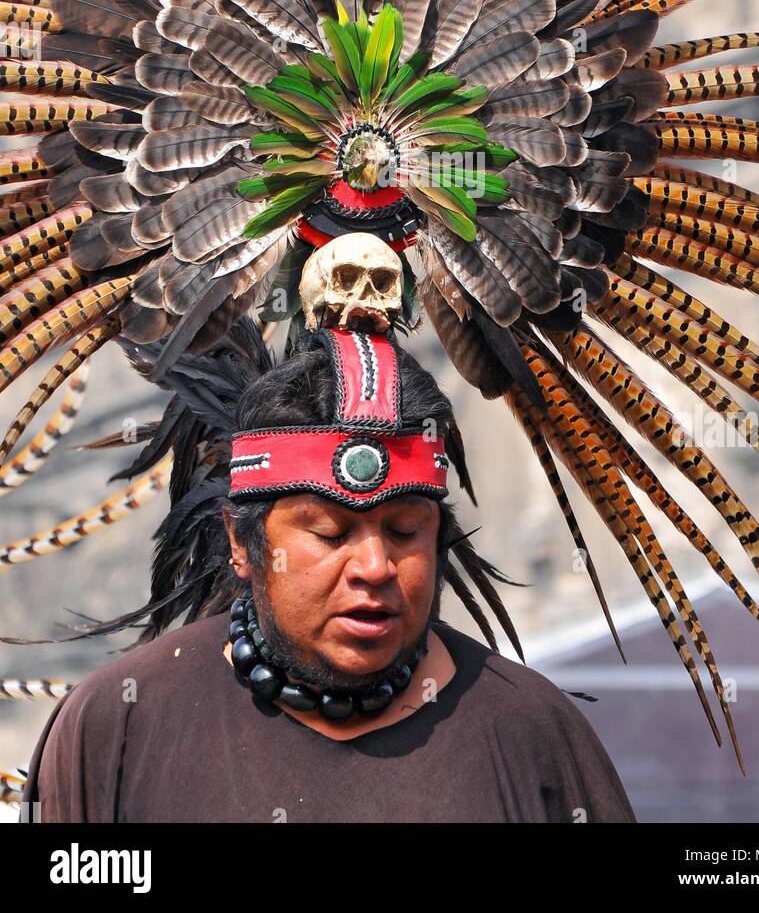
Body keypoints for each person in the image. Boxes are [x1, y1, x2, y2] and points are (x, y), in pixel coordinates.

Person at [22, 330, 635, 824]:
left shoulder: (533, 734)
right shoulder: (117, 725)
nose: (374, 568)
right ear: (243, 540)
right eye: (330, 534)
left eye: (403, 532)